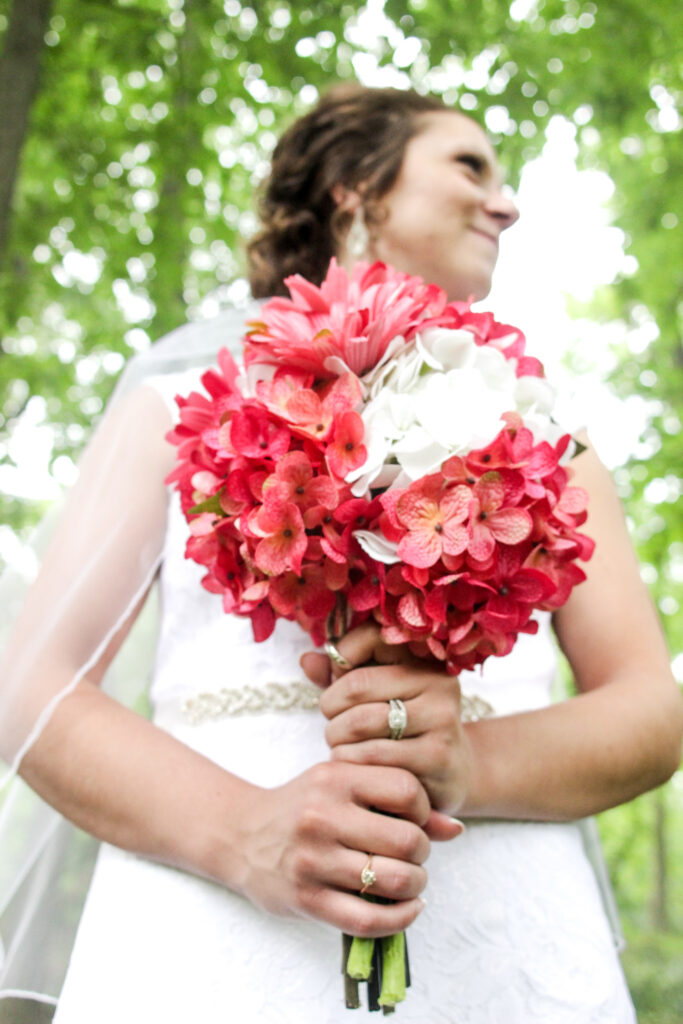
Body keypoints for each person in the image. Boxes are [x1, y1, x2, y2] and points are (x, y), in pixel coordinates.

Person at [0, 85, 681, 1023]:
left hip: (504, 942)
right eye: (468, 166)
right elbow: (33, 689)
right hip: (211, 937)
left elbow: (649, 710)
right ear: (358, 190)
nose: (507, 201)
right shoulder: (183, 398)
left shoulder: (543, 428)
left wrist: (469, 764)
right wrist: (244, 836)